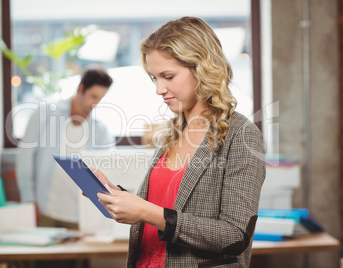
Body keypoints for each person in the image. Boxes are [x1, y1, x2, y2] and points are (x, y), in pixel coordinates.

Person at [94, 17, 266, 267]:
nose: (159, 89)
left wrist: (145, 212)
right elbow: (165, 207)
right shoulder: (173, 132)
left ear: (202, 68)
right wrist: (121, 198)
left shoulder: (240, 135)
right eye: (155, 78)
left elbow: (234, 235)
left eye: (168, 76)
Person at [16, 67, 115, 229]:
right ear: (81, 89)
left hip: (81, 215)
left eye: (101, 98)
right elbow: (25, 158)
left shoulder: (101, 130)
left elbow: (108, 172)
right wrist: (28, 200)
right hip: (46, 209)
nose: (96, 103)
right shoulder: (45, 114)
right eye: (93, 96)